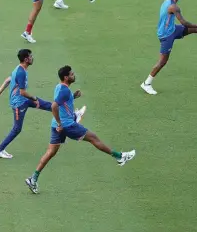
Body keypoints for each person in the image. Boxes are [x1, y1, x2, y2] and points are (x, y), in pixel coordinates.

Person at [25, 65, 135, 194]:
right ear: (66, 77)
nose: (73, 75)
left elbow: (61, 102)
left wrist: (73, 96)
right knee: (93, 138)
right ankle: (120, 157)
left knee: (50, 153)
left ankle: (33, 178)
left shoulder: (60, 87)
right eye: (71, 74)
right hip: (67, 126)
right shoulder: (64, 91)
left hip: (56, 126)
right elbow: (54, 106)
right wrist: (61, 123)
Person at [0, 49, 86, 159]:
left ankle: (74, 116)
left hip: (24, 100)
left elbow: (8, 80)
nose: (32, 58)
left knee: (51, 106)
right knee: (17, 129)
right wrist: (34, 98)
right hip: (19, 104)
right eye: (30, 56)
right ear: (26, 59)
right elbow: (22, 92)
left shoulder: (20, 69)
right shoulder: (21, 72)